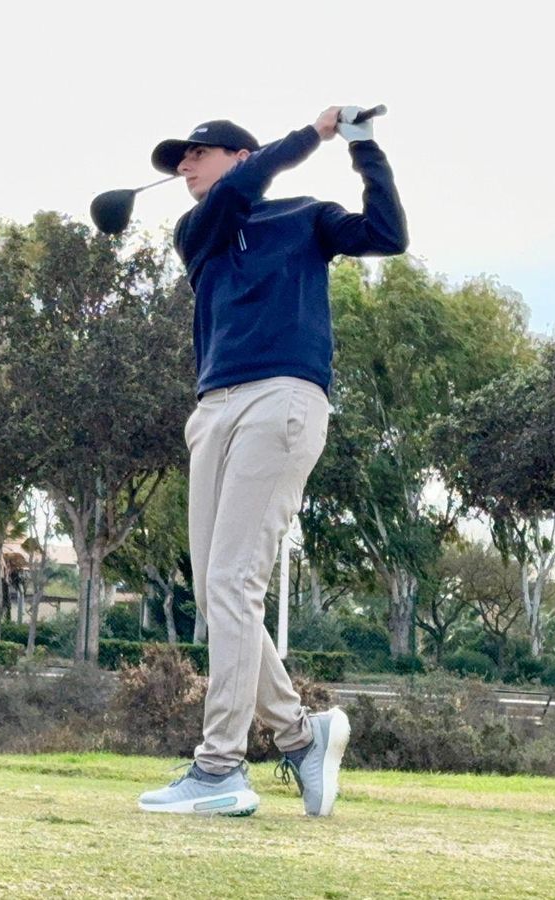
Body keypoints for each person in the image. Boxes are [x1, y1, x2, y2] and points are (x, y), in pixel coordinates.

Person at [136, 106, 408, 817]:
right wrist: (309, 135)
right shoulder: (198, 228)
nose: (183, 167)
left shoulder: (306, 215)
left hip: (283, 396)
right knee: (215, 592)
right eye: (178, 160)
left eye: (197, 153)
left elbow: (387, 235)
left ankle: (220, 767)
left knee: (233, 582)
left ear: (240, 152)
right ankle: (299, 732)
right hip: (214, 408)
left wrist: (358, 144)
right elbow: (237, 192)